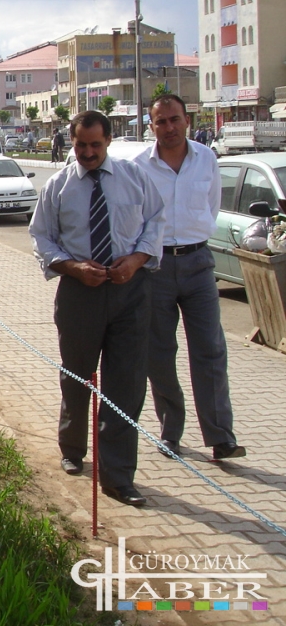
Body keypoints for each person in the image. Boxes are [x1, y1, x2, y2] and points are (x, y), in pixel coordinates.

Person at [29, 110, 165, 507]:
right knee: (77, 377)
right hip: (79, 293)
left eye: (95, 145)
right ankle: (72, 449)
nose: (88, 153)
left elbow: (156, 220)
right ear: (71, 143)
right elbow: (41, 236)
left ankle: (118, 477)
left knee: (125, 384)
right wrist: (72, 267)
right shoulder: (58, 187)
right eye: (81, 145)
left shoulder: (135, 178)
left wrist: (137, 260)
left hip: (131, 291)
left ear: (108, 141)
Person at [135, 95, 245, 462]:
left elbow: (210, 207)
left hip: (199, 263)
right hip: (156, 267)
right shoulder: (139, 166)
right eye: (161, 121)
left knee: (211, 350)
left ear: (187, 120)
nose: (169, 127)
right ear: (151, 126)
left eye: (175, 119)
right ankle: (170, 432)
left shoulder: (207, 158)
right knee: (159, 353)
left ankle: (221, 437)